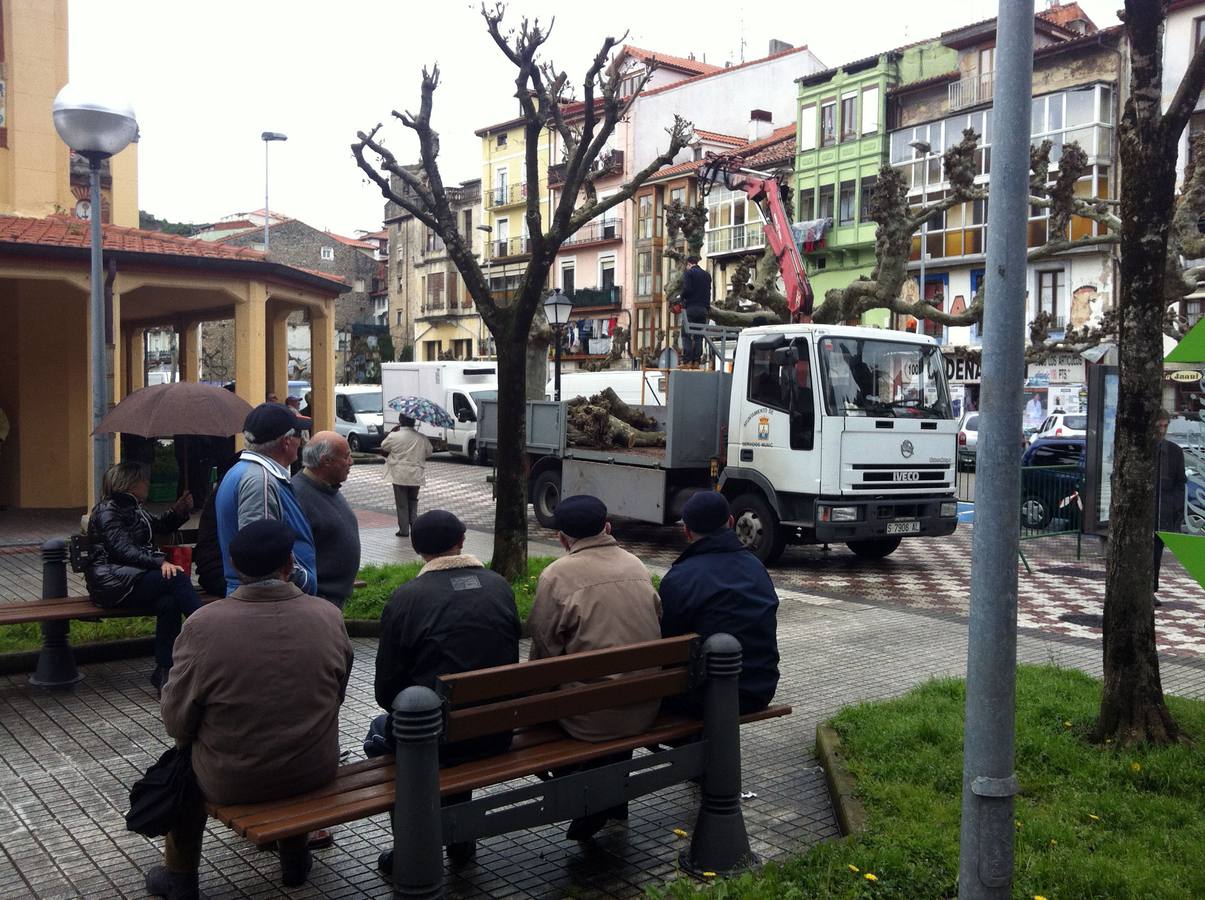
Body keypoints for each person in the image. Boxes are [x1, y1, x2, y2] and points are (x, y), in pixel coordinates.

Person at [146, 520, 353, 898]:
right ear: (290, 564)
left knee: (180, 766)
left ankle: (180, 877)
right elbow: (337, 694)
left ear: (233, 565)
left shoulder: (202, 626)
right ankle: (294, 856)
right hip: (315, 768)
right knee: (293, 729)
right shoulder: (328, 615)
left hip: (233, 779)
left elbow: (176, 721)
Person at [369, 509, 520, 874]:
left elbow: (386, 691)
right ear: (462, 541)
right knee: (451, 719)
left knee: (382, 731)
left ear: (418, 549)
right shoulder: (498, 585)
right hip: (496, 732)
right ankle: (458, 835)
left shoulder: (406, 598)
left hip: (434, 740)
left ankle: (411, 845)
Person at [527, 495, 662, 841]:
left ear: (561, 538)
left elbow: (543, 656)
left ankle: (595, 800)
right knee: (613, 686)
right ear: (607, 528)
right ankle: (611, 801)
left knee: (570, 698)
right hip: (646, 706)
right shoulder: (637, 566)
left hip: (590, 720)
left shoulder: (556, 576)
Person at [83, 462, 203, 695]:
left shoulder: (134, 508)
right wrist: (160, 562)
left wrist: (179, 510)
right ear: (130, 483)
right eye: (143, 480)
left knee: (169, 602)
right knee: (176, 578)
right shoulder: (108, 510)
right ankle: (210, 631)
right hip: (112, 584)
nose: (147, 483)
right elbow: (121, 549)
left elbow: (159, 526)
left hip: (130, 579)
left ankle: (164, 671)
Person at [659, 491, 780, 715]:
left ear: (687, 531)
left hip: (700, 697)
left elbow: (667, 643)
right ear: (731, 522)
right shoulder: (756, 568)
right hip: (759, 691)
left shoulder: (679, 579)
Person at [214, 403, 316, 596]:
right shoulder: (259, 481)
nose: (301, 442)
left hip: (263, 600)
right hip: (267, 603)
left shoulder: (244, 471)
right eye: (298, 436)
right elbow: (262, 558)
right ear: (286, 441)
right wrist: (305, 581)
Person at [292, 431, 360, 608]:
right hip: (318, 601)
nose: (351, 462)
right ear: (326, 460)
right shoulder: (297, 495)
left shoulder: (328, 488)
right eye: (346, 457)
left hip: (333, 599)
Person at [1154, 408, 1187, 605]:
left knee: (1156, 552)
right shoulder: (1143, 450)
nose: (1162, 430)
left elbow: (1179, 483)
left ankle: (1152, 587)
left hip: (1164, 510)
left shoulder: (1174, 452)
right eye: (1160, 426)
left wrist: (1177, 511)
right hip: (1148, 510)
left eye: (1165, 426)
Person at [380, 415, 432, 537]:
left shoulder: (394, 436)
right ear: (414, 422)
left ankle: (403, 530)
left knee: (402, 503)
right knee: (413, 501)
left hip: (399, 474)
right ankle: (414, 525)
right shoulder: (422, 438)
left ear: (400, 421)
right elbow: (429, 452)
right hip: (416, 475)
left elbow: (384, 446)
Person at [678, 255, 712, 369]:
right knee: (699, 336)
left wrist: (681, 297)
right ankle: (696, 361)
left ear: (689, 264)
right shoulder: (707, 275)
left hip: (691, 308)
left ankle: (687, 361)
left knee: (686, 334)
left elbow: (687, 289)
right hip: (703, 309)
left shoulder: (689, 273)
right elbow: (708, 293)